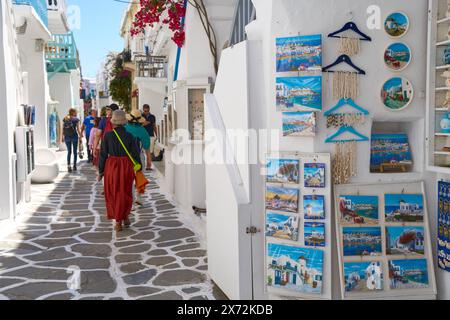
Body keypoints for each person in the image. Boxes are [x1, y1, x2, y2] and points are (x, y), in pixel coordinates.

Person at [98, 110, 142, 232]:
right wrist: (139, 168)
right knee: (126, 191)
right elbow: (135, 154)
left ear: (113, 122)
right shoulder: (130, 136)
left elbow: (103, 154)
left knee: (113, 192)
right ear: (124, 122)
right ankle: (125, 216)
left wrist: (101, 171)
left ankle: (118, 221)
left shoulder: (107, 135)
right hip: (126, 166)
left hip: (112, 166)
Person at [125, 110, 151, 206]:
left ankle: (131, 200)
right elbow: (146, 146)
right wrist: (149, 159)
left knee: (129, 179)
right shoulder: (142, 130)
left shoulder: (124, 129)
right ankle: (139, 197)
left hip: (126, 158)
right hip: (139, 156)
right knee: (139, 176)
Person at [62, 108, 82, 172]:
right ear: (73, 112)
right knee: (75, 152)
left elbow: (63, 128)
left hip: (67, 137)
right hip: (74, 136)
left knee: (69, 152)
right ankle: (74, 166)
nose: (76, 113)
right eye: (76, 112)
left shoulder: (65, 118)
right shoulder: (76, 119)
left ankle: (68, 166)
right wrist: (81, 136)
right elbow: (78, 129)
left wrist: (62, 137)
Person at [141, 104, 158, 171]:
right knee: (142, 151)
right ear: (143, 110)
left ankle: (148, 166)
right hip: (142, 135)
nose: (146, 112)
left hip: (151, 135)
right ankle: (142, 165)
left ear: (149, 109)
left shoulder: (152, 117)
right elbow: (139, 125)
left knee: (149, 152)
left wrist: (157, 135)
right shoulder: (141, 116)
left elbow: (154, 126)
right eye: (145, 111)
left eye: (147, 111)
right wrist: (145, 123)